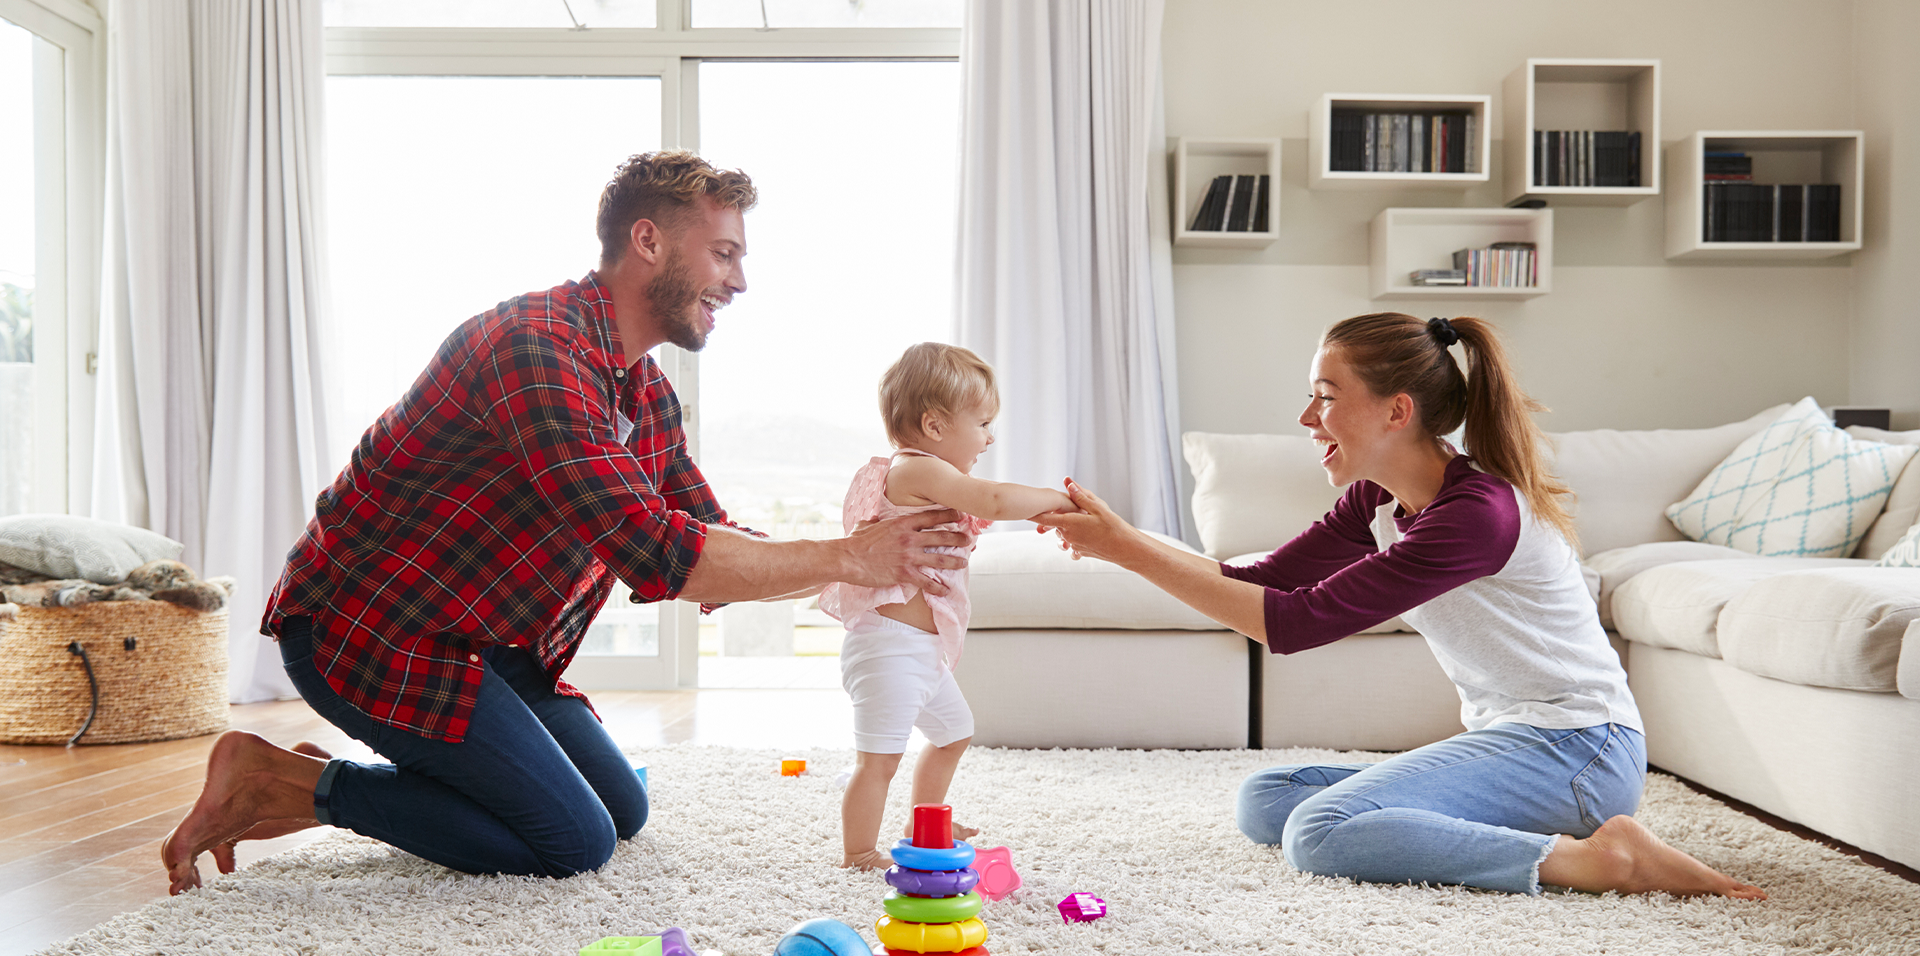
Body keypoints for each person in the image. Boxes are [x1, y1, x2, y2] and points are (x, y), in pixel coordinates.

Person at [160, 151, 973, 895]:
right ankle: (298, 785)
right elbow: (662, 558)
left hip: (489, 645)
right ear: (648, 241)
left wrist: (872, 552)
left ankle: (382, 779)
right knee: (571, 841)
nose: (740, 282)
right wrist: (851, 558)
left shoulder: (643, 392)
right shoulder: (535, 350)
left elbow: (709, 537)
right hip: (372, 632)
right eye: (724, 253)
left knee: (622, 811)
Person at [1034, 313, 1766, 900]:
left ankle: (1599, 861)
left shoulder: (1476, 513)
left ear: (1397, 410)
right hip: (1514, 741)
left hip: (1578, 750)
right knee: (1267, 799)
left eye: (1325, 396)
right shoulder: (1379, 499)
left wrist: (1123, 549)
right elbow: (1265, 581)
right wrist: (1120, 539)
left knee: (1319, 832)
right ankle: (1549, 838)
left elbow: (1293, 624)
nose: (1305, 416)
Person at [819, 343, 1073, 870]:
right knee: (878, 762)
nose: (990, 436)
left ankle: (923, 821)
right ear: (934, 426)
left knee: (954, 734)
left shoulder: (925, 473)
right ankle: (858, 852)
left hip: (921, 651)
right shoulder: (915, 470)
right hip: (888, 650)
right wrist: (1055, 498)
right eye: (982, 423)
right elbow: (994, 501)